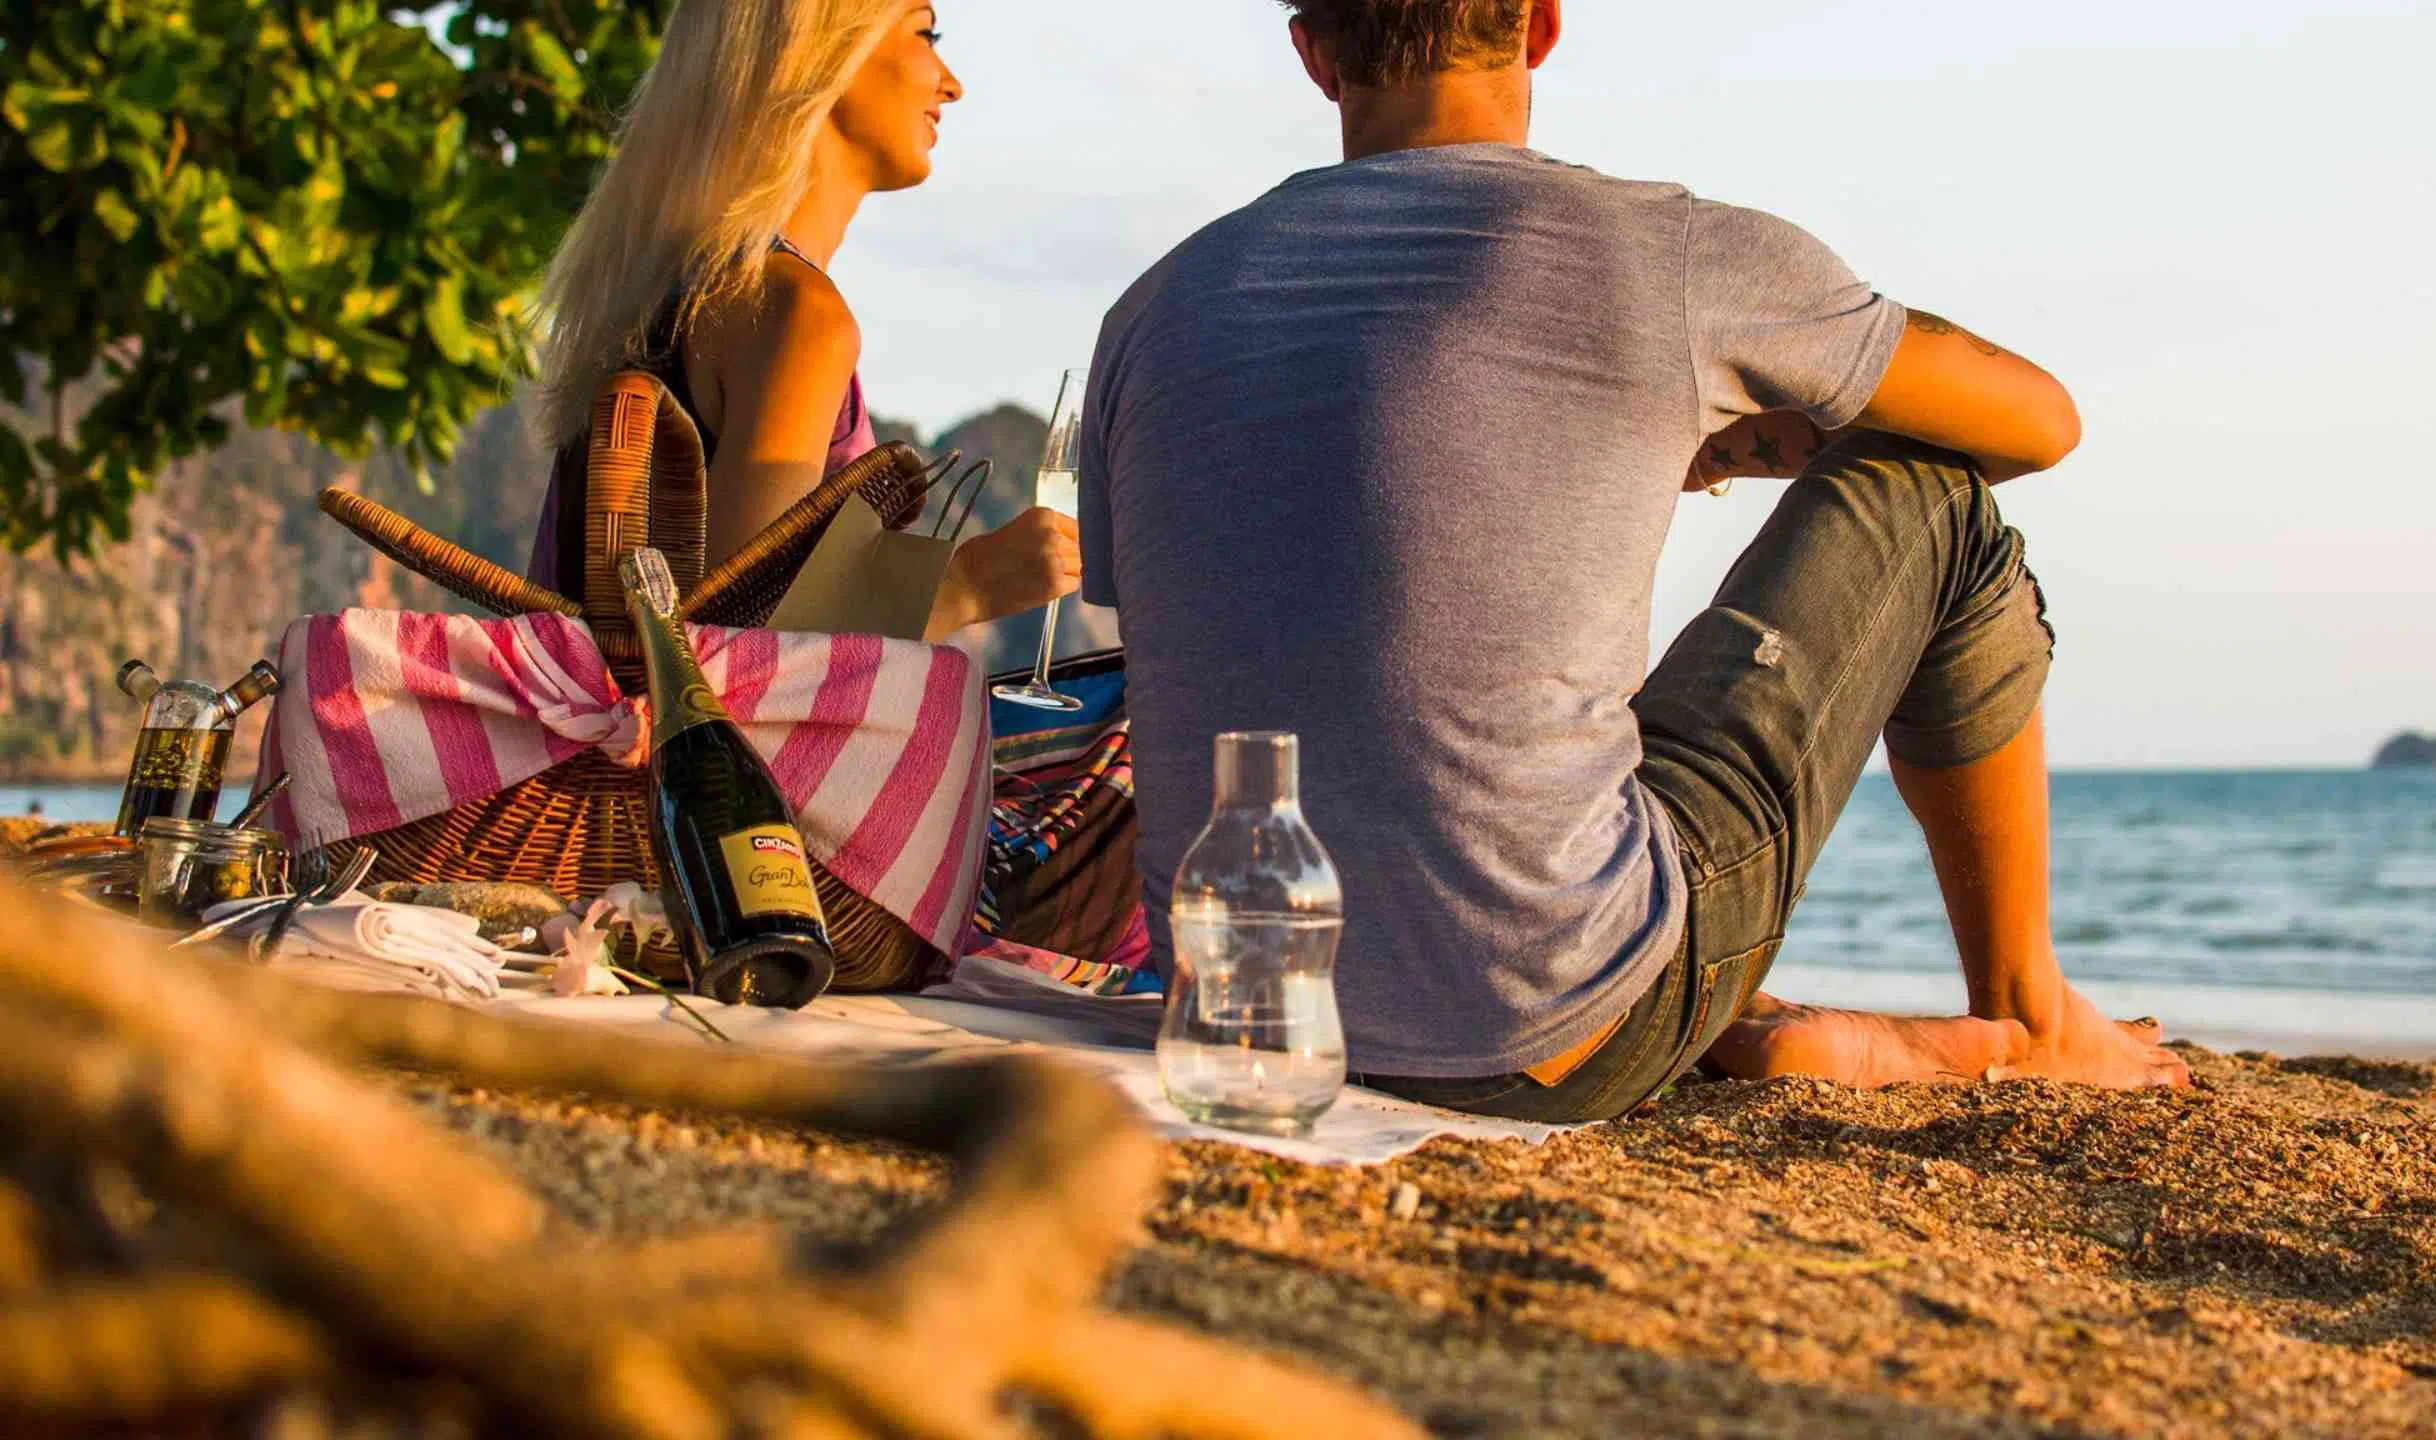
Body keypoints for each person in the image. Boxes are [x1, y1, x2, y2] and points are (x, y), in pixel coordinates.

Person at [1078, 0, 2191, 1123]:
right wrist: (1730, 424)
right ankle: (2028, 1012)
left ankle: (1745, 1015)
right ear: (1540, 25)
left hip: (1246, 1014)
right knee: (1931, 492)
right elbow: (2038, 424)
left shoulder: (1152, 308)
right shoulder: (1669, 252)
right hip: (1559, 1027)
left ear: (1313, 53)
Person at [529, 0, 1074, 642]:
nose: (952, 83)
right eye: (926, 33)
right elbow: (743, 646)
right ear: (823, 53)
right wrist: (971, 583)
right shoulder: (794, 313)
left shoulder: (672, 292)